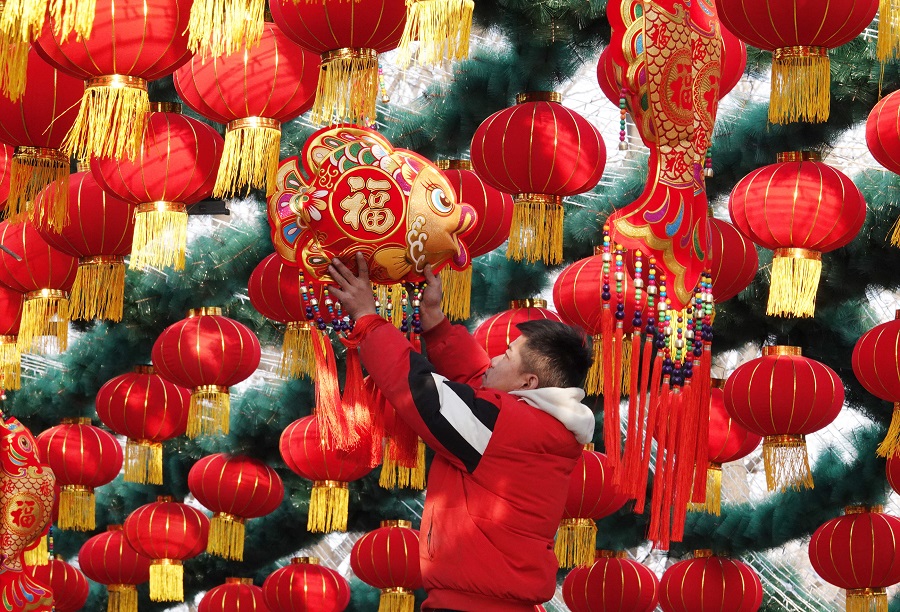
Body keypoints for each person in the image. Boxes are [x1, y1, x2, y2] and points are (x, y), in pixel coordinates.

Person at [330, 253, 595, 612]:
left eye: (507, 356)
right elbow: (479, 385)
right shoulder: (540, 425)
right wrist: (436, 324)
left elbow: (421, 392)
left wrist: (368, 319)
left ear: (528, 384)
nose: (495, 360)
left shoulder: (504, 426)